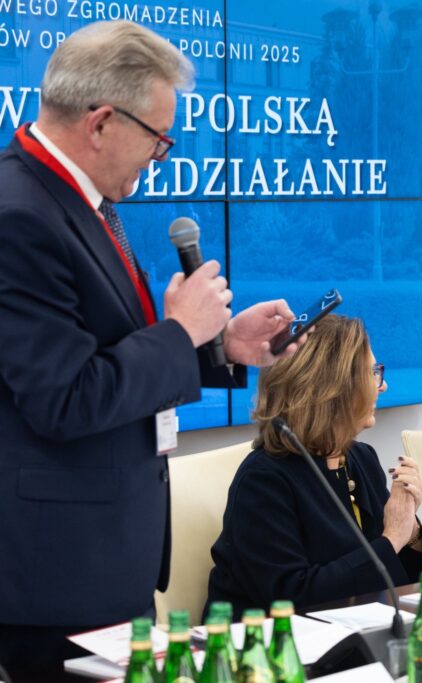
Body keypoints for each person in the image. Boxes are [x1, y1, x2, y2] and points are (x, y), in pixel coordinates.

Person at [0, 21, 301, 677]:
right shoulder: (19, 214)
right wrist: (178, 332)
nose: (161, 156)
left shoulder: (79, 202)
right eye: (159, 138)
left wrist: (220, 346)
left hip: (106, 558)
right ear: (101, 122)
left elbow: (109, 352)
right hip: (58, 575)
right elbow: (64, 398)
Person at [206, 314, 422, 616]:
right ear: (333, 388)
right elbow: (292, 597)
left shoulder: (361, 458)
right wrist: (392, 538)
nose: (382, 386)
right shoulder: (264, 479)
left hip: (354, 626)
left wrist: (410, 529)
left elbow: (409, 581)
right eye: (371, 374)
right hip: (267, 640)